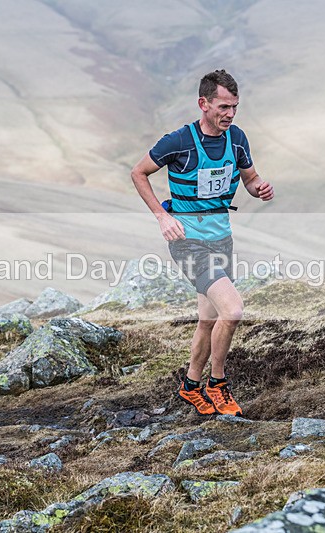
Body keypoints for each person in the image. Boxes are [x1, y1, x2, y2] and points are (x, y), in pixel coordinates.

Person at [130, 70, 274, 415]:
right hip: (188, 242)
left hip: (221, 239)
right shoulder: (178, 141)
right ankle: (218, 384)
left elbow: (250, 178)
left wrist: (260, 189)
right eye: (224, 106)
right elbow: (138, 173)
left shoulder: (237, 138)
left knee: (208, 319)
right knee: (233, 310)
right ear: (203, 103)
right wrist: (162, 217)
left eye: (235, 107)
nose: (230, 114)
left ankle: (190, 386)